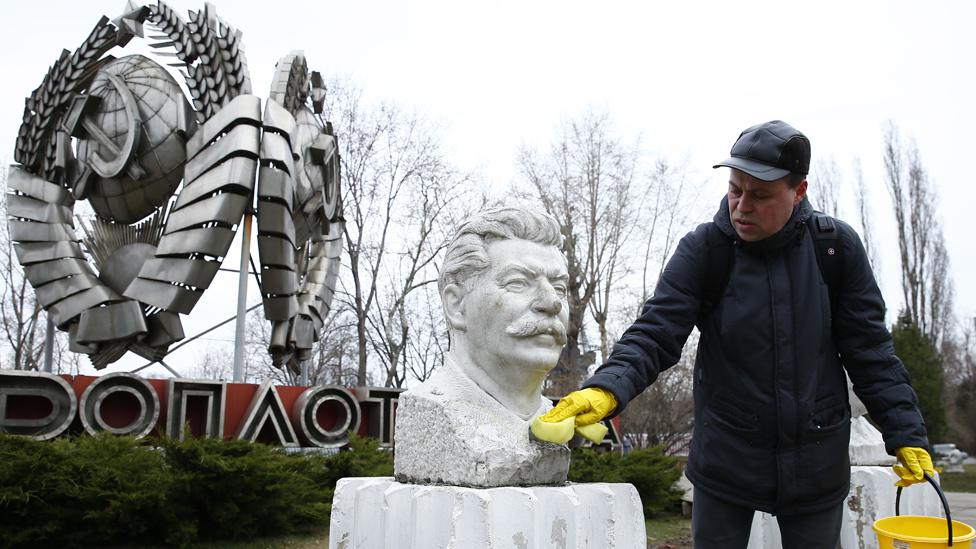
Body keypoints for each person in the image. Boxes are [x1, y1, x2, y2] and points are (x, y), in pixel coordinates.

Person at [536, 120, 935, 548]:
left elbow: (870, 352)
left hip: (815, 460)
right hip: (727, 456)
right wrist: (607, 388)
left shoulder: (835, 249)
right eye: (734, 189)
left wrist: (907, 433)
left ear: (798, 191)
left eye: (759, 195)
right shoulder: (706, 250)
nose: (741, 206)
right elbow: (656, 332)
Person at [394, 207, 573, 487]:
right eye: (518, 283)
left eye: (560, 288)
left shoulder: (549, 418)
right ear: (456, 305)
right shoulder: (431, 408)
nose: (552, 302)